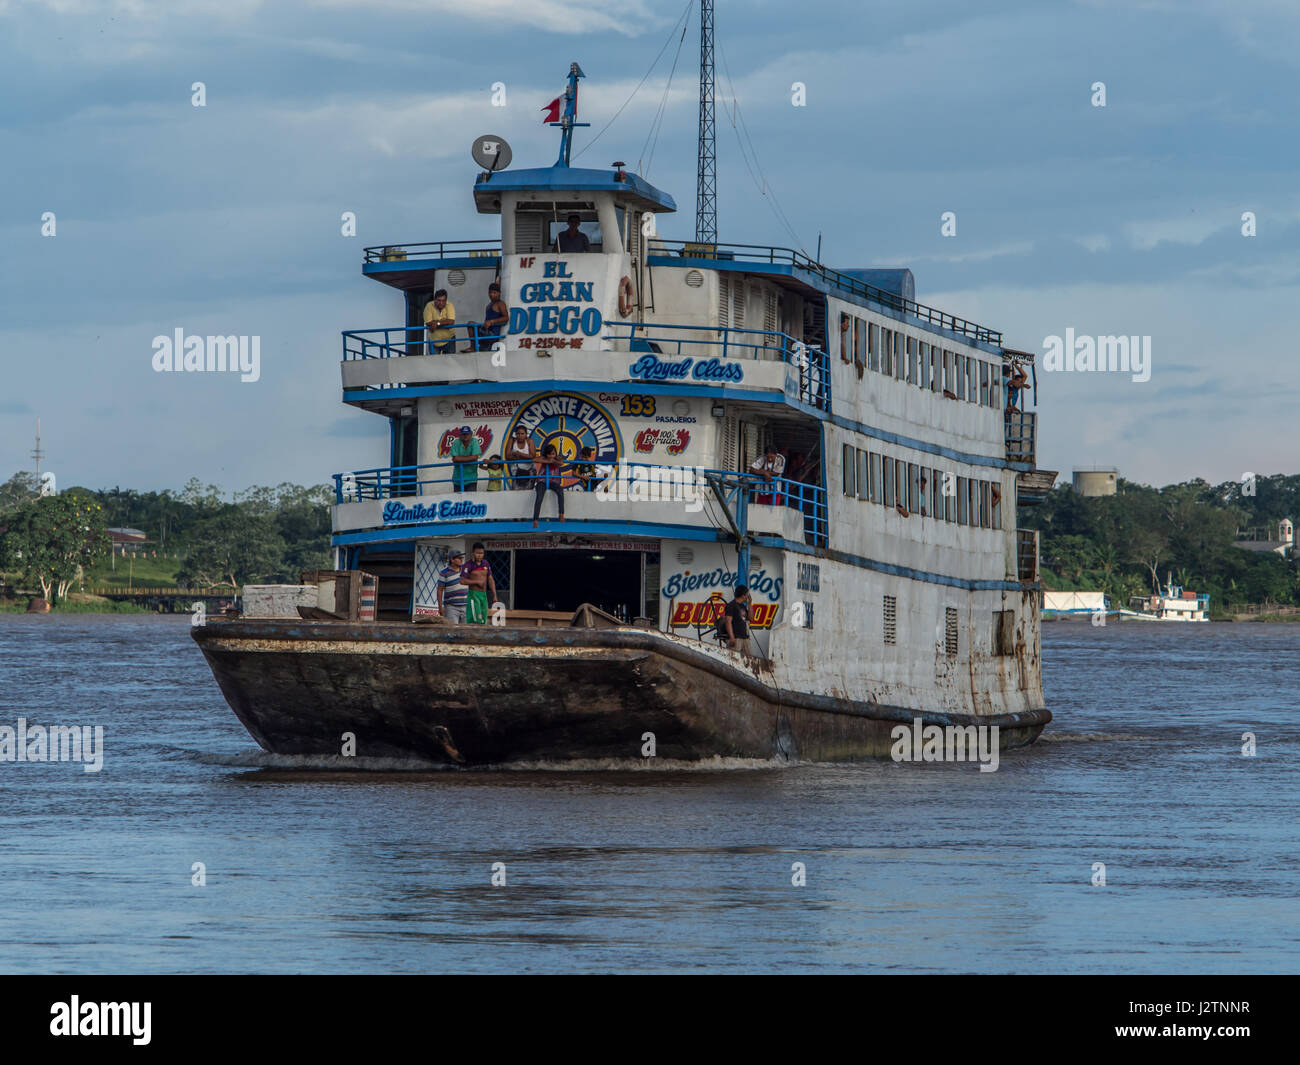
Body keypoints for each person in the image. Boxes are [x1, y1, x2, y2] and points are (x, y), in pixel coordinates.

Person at [531, 444, 567, 529]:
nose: (551, 455)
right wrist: (547, 461)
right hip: (541, 481)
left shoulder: (557, 458)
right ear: (546, 454)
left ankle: (561, 514)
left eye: (553, 453)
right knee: (539, 497)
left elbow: (561, 463)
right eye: (549, 454)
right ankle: (535, 520)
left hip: (553, 482)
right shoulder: (543, 458)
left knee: (560, 491)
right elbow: (534, 459)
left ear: (555, 453)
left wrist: (553, 461)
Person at [461, 542, 497, 625]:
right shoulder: (468, 565)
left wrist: (495, 595)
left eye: (481, 553)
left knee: (484, 618)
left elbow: (490, 579)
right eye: (477, 553)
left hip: (484, 595)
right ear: (473, 553)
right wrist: (476, 582)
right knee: (476, 619)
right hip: (474, 595)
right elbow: (462, 581)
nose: (480, 555)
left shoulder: (486, 563)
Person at [436, 549, 468, 623]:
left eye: (461, 558)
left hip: (466, 606)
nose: (461, 560)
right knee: (452, 631)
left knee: (466, 631)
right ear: (452, 560)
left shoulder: (466, 570)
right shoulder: (444, 573)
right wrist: (440, 607)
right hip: (451, 607)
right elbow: (439, 590)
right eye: (459, 558)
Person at [476, 282, 509, 352]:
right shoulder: (489, 305)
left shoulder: (500, 303)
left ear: (499, 293)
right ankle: (474, 346)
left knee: (471, 324)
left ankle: (474, 346)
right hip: (485, 331)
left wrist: (492, 322)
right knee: (471, 325)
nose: (491, 295)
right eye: (490, 293)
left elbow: (506, 318)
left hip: (492, 334)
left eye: (494, 293)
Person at [718, 585, 751, 652]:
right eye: (747, 594)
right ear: (743, 595)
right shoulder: (731, 605)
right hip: (736, 639)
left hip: (745, 638)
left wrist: (750, 604)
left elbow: (751, 618)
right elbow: (728, 621)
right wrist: (731, 637)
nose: (748, 596)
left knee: (749, 660)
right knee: (733, 659)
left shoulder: (742, 606)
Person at [424, 289, 456, 354]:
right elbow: (428, 323)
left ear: (446, 300)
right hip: (434, 341)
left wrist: (437, 323)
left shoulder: (449, 305)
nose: (441, 303)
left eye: (443, 301)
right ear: (435, 300)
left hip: (449, 340)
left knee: (450, 362)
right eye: (439, 300)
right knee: (435, 363)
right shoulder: (429, 306)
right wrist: (444, 322)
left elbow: (451, 322)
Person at [449, 426, 481, 492]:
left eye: (467, 434)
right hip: (458, 478)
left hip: (471, 478)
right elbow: (455, 459)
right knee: (458, 500)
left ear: (471, 434)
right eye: (463, 434)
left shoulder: (474, 441)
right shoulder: (456, 442)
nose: (465, 436)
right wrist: (470, 458)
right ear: (460, 435)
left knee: (471, 500)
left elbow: (475, 457)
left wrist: (460, 459)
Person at [504, 426, 537, 490]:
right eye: (518, 434)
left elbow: (533, 456)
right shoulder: (512, 440)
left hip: (530, 471)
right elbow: (507, 456)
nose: (520, 435)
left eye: (522, 434)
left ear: (526, 434)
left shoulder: (530, 441)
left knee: (529, 492)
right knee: (516, 492)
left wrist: (519, 454)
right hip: (516, 472)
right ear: (515, 434)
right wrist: (526, 457)